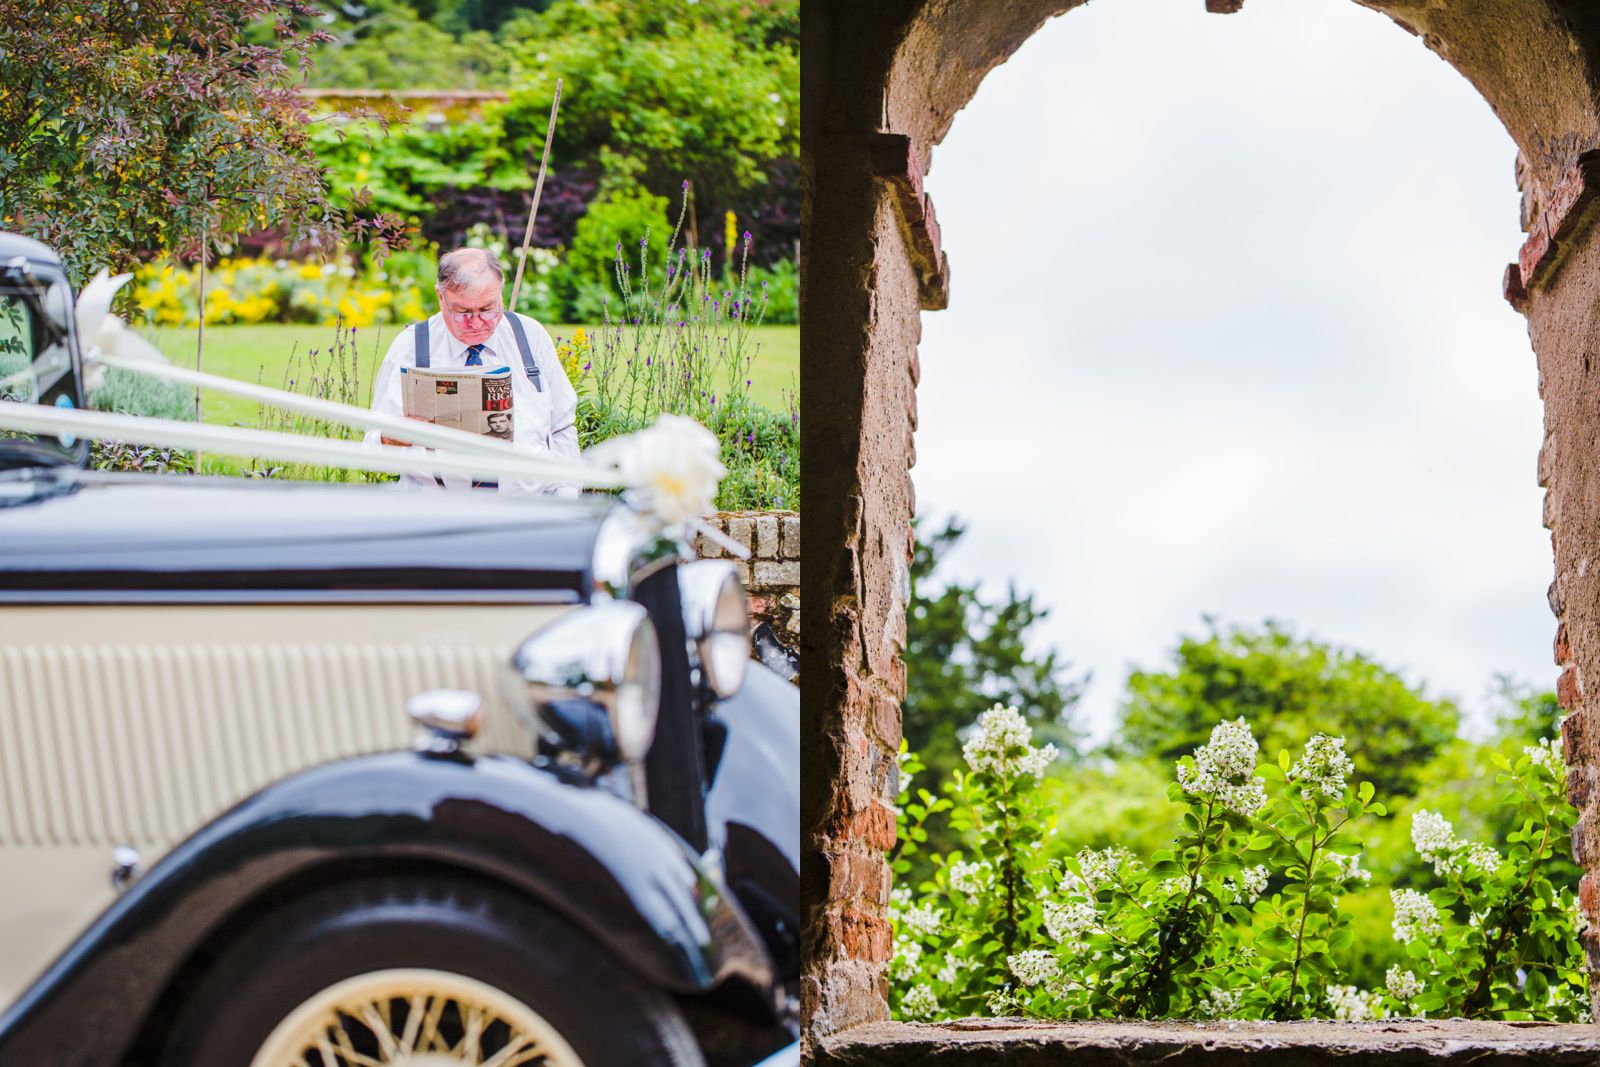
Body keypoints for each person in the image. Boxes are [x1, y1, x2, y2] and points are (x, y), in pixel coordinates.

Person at [365, 247, 578, 493]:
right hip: (438, 512)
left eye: (487, 309)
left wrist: (567, 493)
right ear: (440, 297)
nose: (477, 323)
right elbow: (372, 451)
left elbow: (562, 426)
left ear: (501, 291)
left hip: (527, 510)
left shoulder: (530, 336)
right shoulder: (410, 347)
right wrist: (390, 439)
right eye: (463, 312)